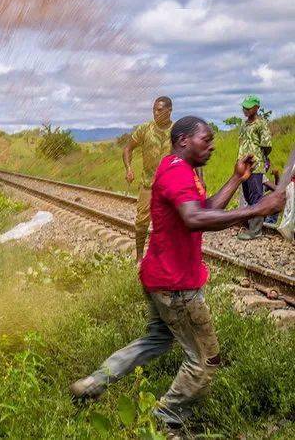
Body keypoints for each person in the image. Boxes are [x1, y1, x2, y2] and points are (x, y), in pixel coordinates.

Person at [70, 116, 285, 429]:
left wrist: (237, 179)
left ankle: (93, 382)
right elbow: (194, 219)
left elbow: (206, 208)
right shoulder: (176, 172)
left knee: (156, 339)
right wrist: (258, 209)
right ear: (184, 140)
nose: (211, 146)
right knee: (204, 359)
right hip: (176, 286)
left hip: (160, 276)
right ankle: (166, 421)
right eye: (205, 140)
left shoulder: (181, 170)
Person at [123, 96, 173, 260]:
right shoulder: (145, 129)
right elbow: (128, 149)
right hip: (148, 184)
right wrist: (129, 168)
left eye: (159, 110)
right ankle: (139, 258)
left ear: (169, 111)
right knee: (142, 221)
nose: (155, 113)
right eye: (153, 110)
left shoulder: (177, 130)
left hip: (169, 186)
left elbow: (192, 154)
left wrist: (198, 178)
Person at [236, 95, 273, 240]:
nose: (245, 109)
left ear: (256, 107)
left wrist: (264, 159)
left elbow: (266, 145)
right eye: (244, 106)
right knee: (247, 195)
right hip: (243, 166)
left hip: (255, 166)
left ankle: (256, 230)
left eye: (249, 107)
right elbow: (241, 143)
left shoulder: (261, 124)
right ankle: (252, 224)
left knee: (256, 196)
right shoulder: (244, 125)